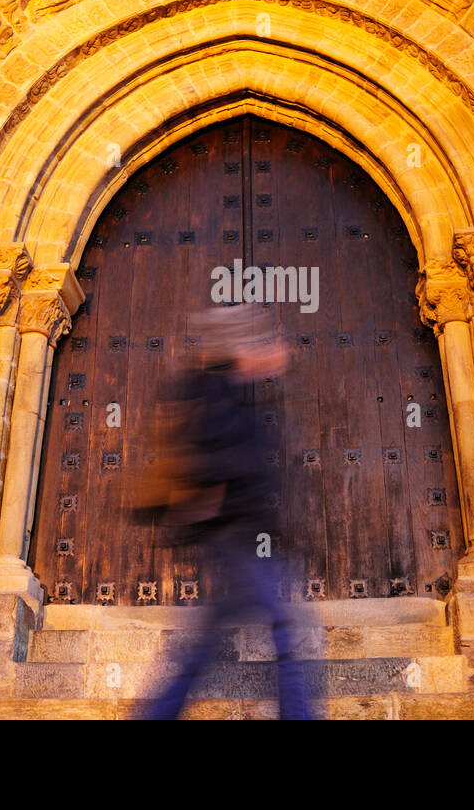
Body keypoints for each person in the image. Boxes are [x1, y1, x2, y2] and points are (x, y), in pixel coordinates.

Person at [141, 305, 315, 720]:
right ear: (236, 347)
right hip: (235, 534)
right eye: (256, 342)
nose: (269, 351)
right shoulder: (213, 391)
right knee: (286, 630)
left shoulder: (225, 390)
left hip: (239, 533)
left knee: (207, 645)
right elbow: (220, 458)